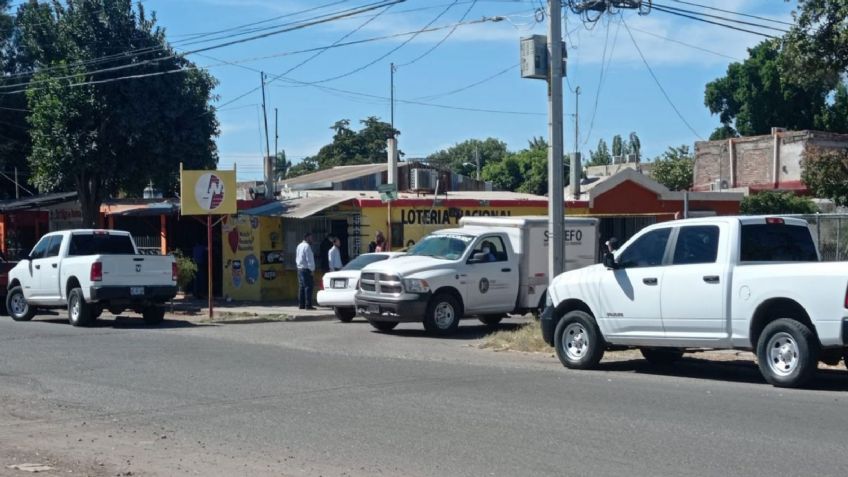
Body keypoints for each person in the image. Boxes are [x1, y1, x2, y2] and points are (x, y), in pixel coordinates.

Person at [295, 232, 316, 310]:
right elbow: (309, 259)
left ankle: (301, 305)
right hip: (306, 269)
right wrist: (312, 270)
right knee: (308, 287)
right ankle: (308, 305)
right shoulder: (307, 246)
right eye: (311, 238)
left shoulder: (299, 246)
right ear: (307, 238)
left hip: (300, 269)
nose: (312, 240)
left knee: (301, 287)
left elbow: (297, 257)